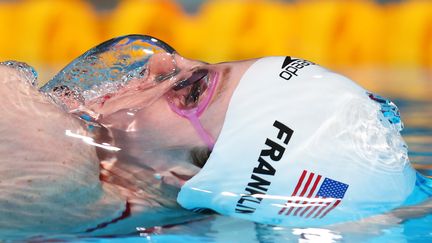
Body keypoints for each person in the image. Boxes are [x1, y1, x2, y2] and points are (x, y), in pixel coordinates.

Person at [1, 35, 431, 238]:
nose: (160, 64)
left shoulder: (50, 148)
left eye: (189, 90)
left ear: (183, 174)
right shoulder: (203, 219)